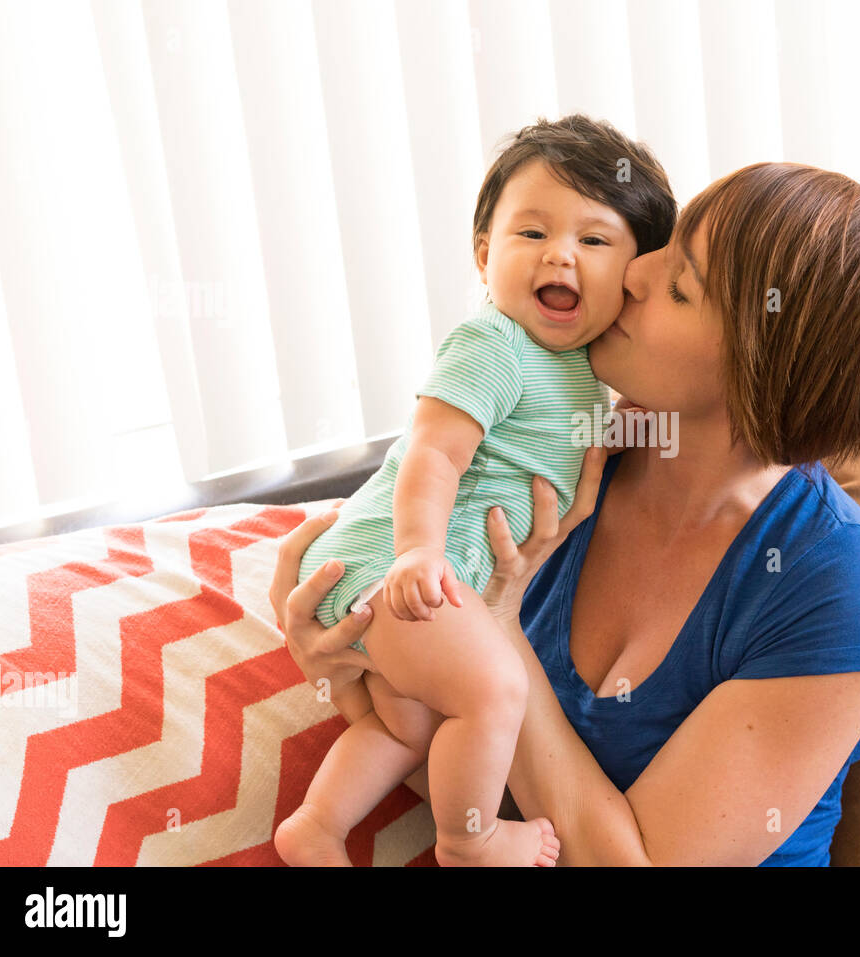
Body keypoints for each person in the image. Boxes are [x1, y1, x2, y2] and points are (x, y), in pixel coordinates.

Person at [271, 159, 860, 866]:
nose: (631, 272)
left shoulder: (844, 589)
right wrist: (351, 659)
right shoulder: (559, 457)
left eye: (681, 286)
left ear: (763, 371)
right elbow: (490, 789)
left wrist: (499, 626)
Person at [273, 114, 677, 867]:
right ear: (485, 255)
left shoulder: (583, 374)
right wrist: (418, 553)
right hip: (396, 567)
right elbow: (431, 453)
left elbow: (580, 437)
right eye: (531, 235)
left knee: (410, 726)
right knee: (494, 686)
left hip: (412, 580)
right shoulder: (497, 344)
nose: (560, 253)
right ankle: (470, 839)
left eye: (593, 240)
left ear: (634, 277)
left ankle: (318, 827)